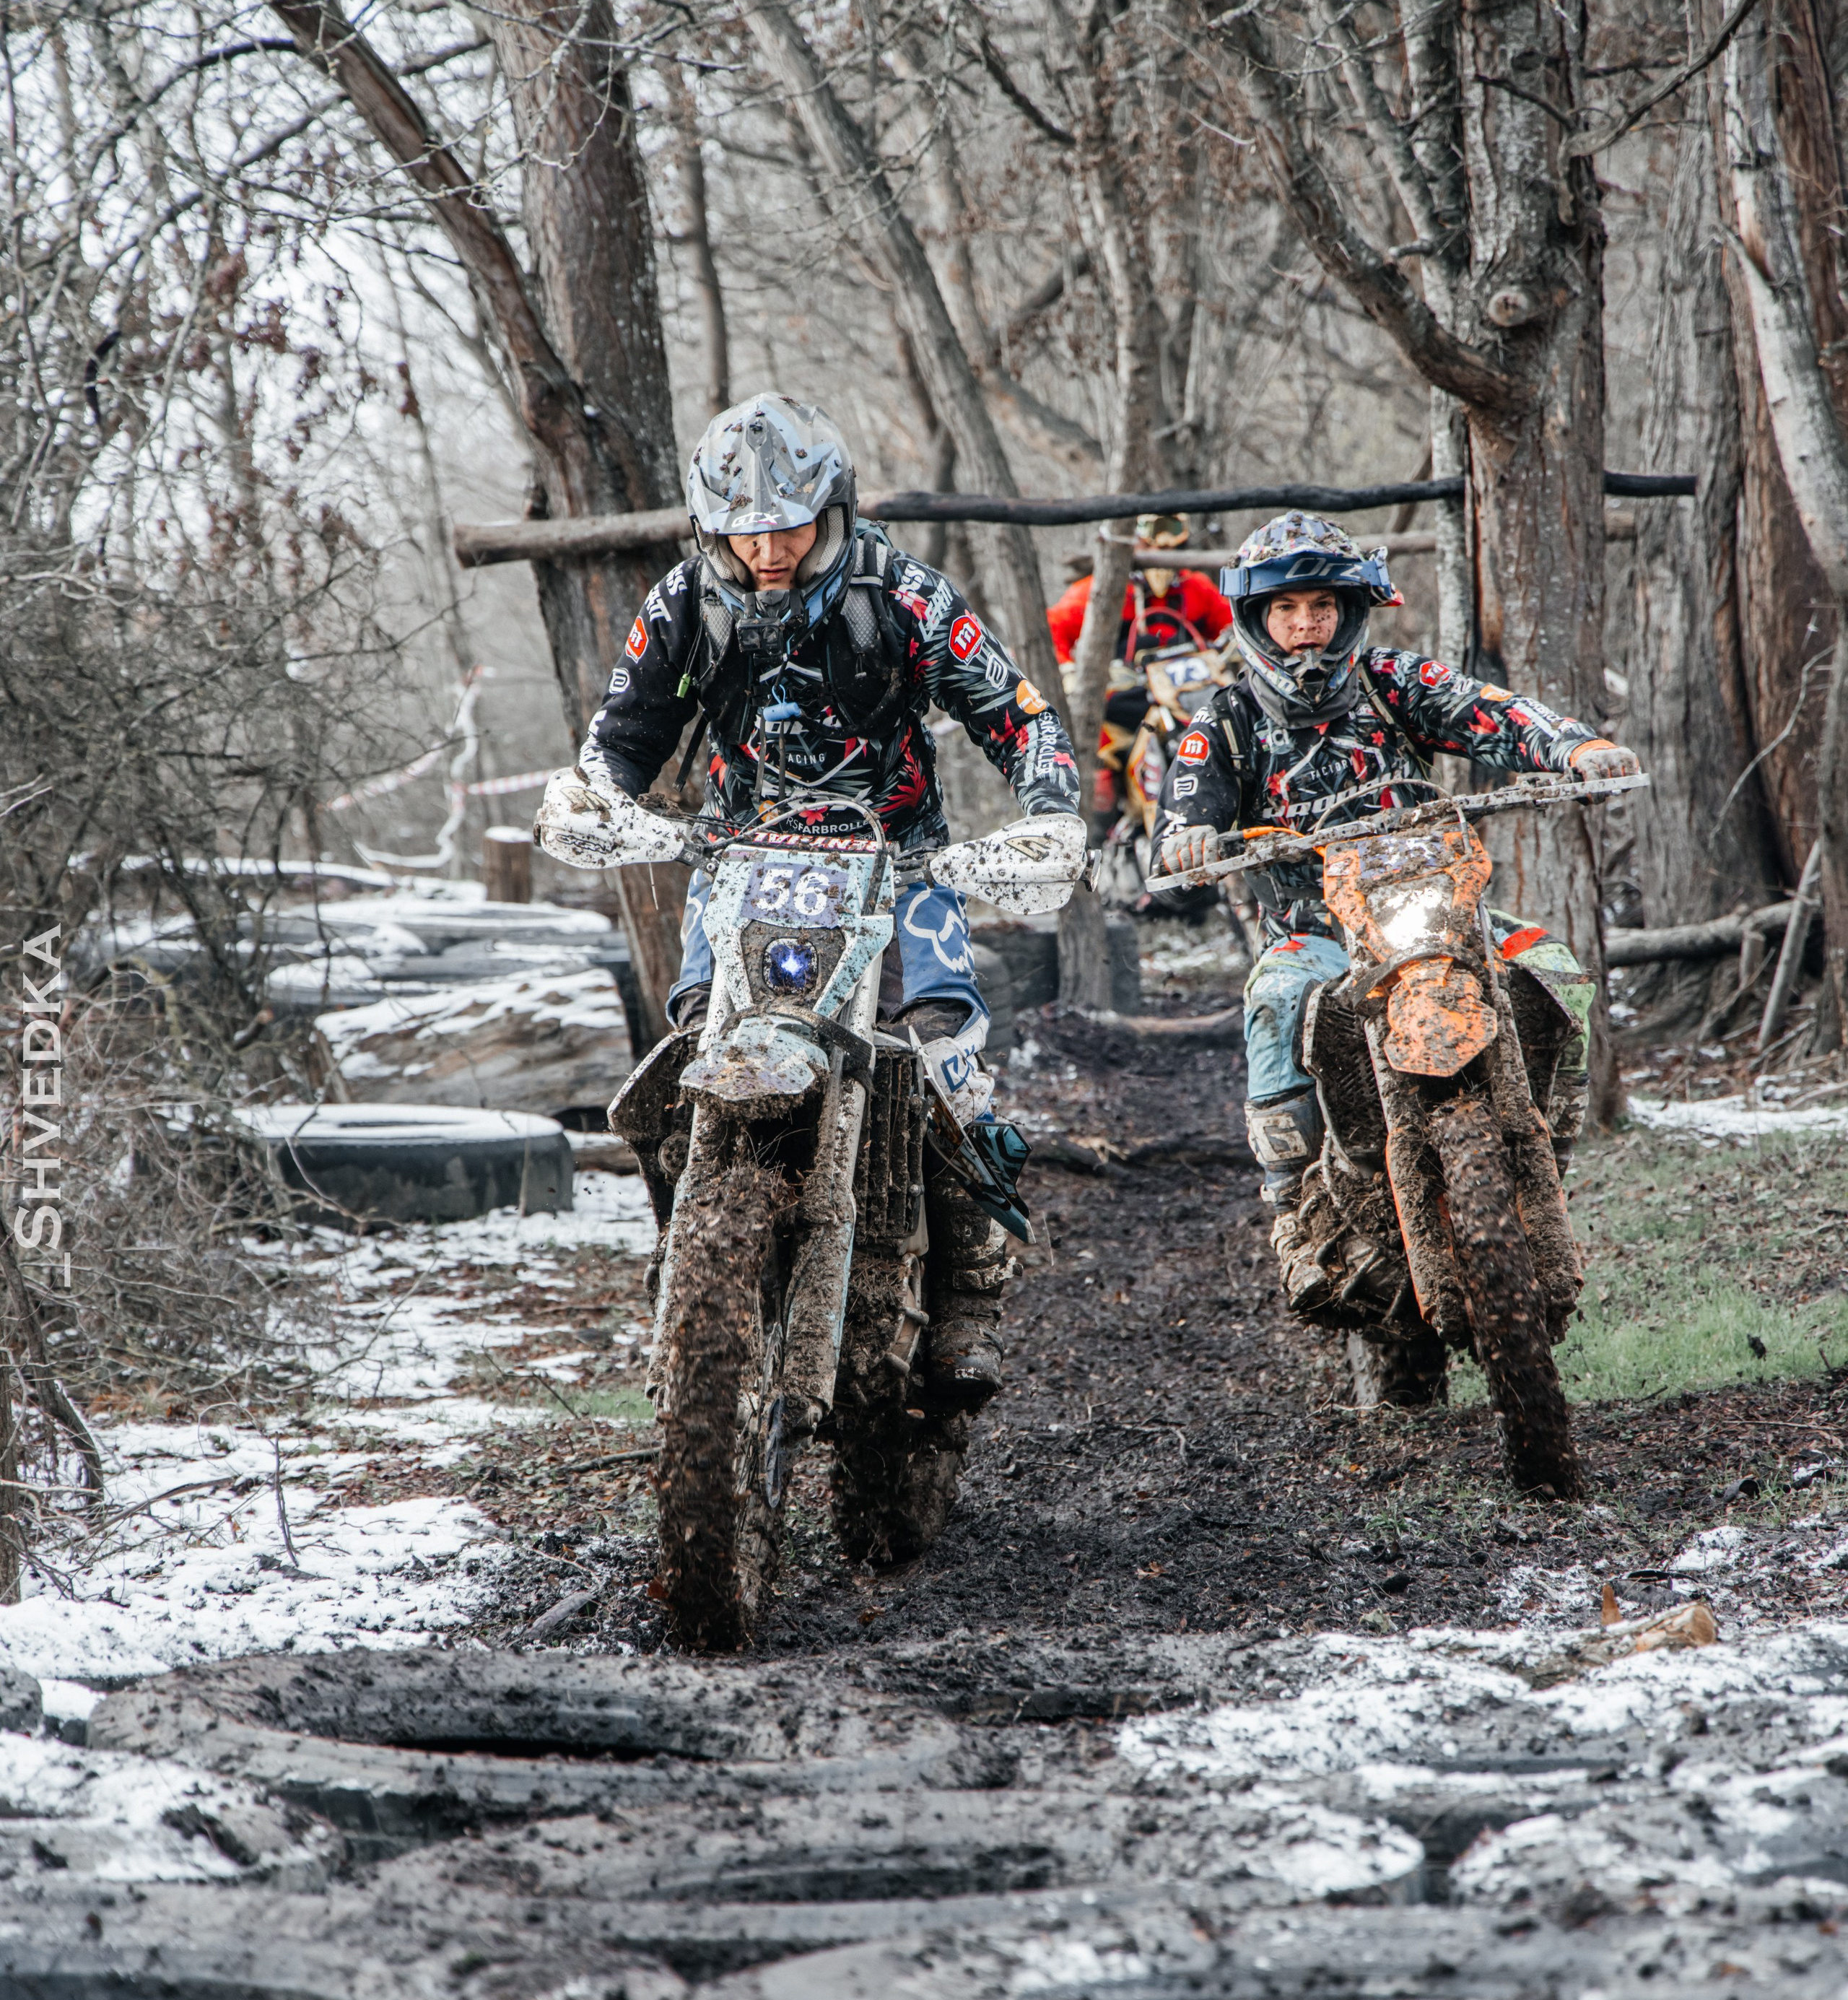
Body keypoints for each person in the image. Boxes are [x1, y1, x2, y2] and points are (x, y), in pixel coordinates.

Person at [579, 392, 1081, 1401]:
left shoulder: (904, 591)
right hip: (739, 862)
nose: (767, 548)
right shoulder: (684, 603)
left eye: (790, 524)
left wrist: (1052, 807)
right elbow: (624, 733)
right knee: (691, 1042)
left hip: (900, 861)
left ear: (835, 507)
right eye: (744, 529)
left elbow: (1016, 713)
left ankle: (973, 1294)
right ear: (708, 525)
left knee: (940, 1046)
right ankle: (689, 1270)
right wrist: (595, 798)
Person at [1150, 510, 1639, 1308]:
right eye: (1286, 610)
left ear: (1348, 613)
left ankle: (1547, 1151)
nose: (1306, 627)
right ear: (1258, 621)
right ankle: (1289, 1214)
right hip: (1315, 935)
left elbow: (1489, 710)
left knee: (1556, 970)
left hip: (1440, 915)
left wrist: (1574, 747)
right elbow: (1181, 817)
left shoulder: (1392, 682)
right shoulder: (1225, 720)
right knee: (1274, 1005)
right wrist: (1189, 842)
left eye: (1322, 608)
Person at [1047, 515, 1234, 821]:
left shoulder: (1195, 588)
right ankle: (1097, 843)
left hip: (1188, 703)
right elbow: (1052, 626)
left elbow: (1233, 626)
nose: (1161, 562)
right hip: (1123, 706)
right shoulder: (1104, 589)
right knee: (1098, 780)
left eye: (1173, 550)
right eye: (1152, 548)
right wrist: (1067, 672)